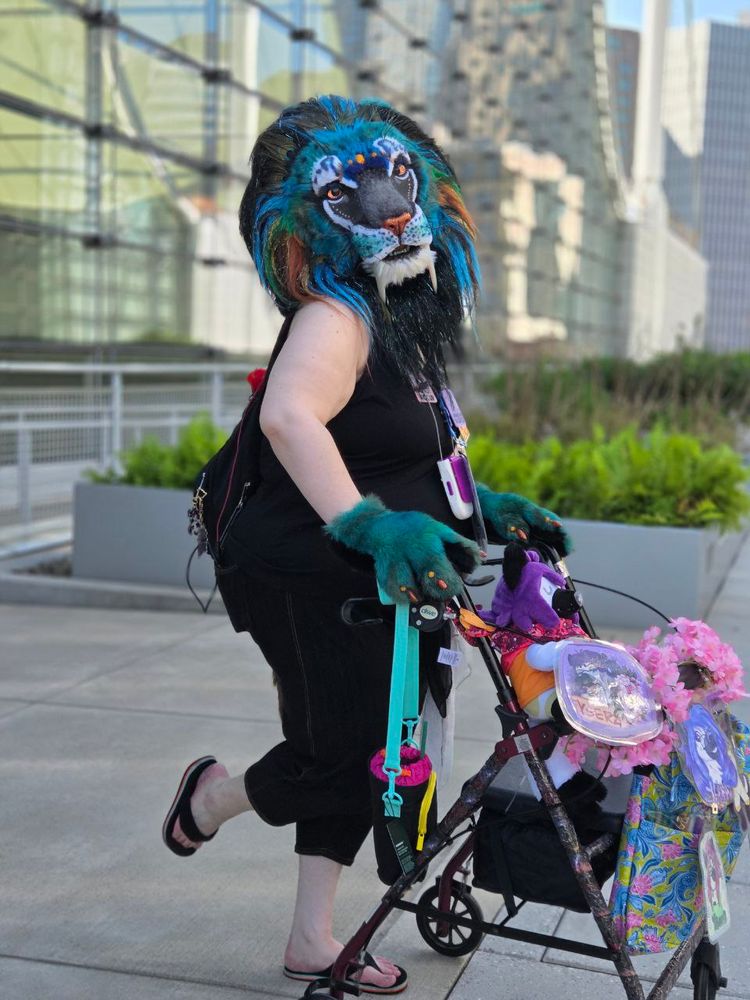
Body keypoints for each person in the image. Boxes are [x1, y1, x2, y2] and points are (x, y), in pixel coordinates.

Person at [162, 96, 569, 995]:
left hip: (388, 578)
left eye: (401, 183)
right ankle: (213, 798)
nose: (390, 210)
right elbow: (288, 416)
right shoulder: (335, 318)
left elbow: (415, 455)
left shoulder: (400, 322)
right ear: (313, 219)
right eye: (352, 194)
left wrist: (485, 512)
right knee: (340, 756)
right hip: (306, 571)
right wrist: (370, 526)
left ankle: (312, 937)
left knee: (369, 752)